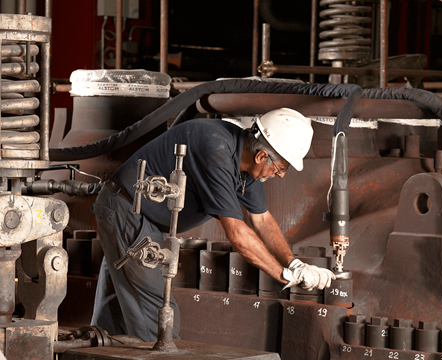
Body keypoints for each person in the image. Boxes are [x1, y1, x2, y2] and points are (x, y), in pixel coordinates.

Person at [90, 108, 335, 342]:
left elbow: (262, 219)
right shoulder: (215, 150)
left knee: (115, 319)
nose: (281, 175)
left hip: (142, 219)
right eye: (281, 168)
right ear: (262, 156)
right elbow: (238, 234)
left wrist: (295, 264)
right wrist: (283, 276)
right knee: (158, 321)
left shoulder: (245, 165)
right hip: (126, 210)